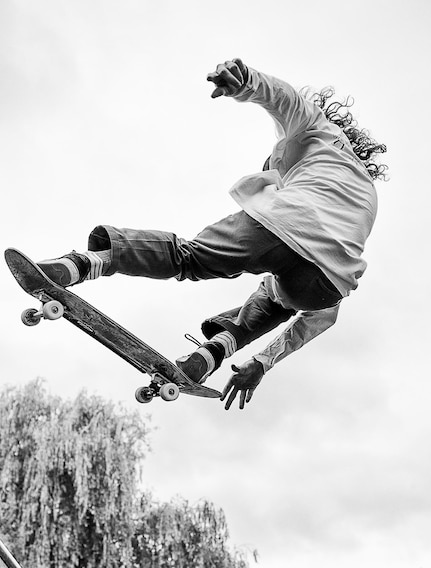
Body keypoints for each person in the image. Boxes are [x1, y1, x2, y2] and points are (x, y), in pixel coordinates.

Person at [37, 58, 387, 410]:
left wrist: (245, 80)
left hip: (284, 226)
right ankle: (214, 352)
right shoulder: (366, 195)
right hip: (325, 287)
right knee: (277, 297)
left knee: (189, 258)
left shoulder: (319, 127)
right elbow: (323, 316)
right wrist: (263, 362)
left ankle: (82, 264)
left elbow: (287, 99)